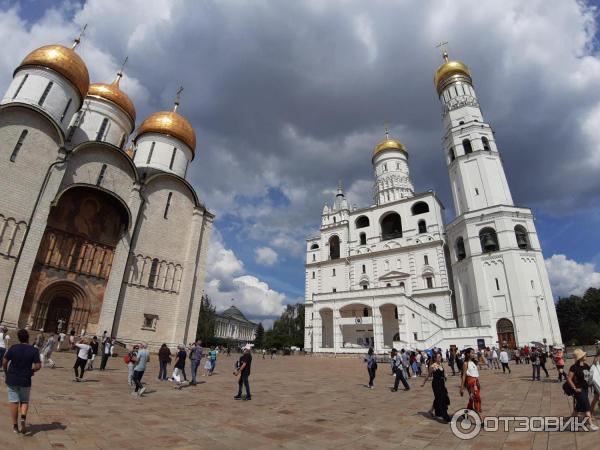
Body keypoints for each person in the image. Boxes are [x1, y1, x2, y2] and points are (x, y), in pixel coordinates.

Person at [2, 329, 41, 434]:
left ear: (19, 338)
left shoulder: (13, 348)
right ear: (28, 337)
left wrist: (6, 371)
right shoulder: (34, 350)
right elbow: (38, 366)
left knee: (14, 402)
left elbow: (4, 361)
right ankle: (23, 417)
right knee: (24, 401)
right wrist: (32, 371)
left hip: (12, 378)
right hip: (25, 379)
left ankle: (15, 426)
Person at [566, 348, 598, 431]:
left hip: (585, 389)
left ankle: (570, 424)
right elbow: (568, 379)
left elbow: (588, 377)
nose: (586, 355)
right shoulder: (574, 367)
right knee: (587, 406)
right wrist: (574, 388)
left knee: (578, 408)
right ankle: (590, 424)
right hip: (579, 390)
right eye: (584, 355)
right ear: (580, 357)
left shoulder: (586, 365)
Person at [421, 352, 451, 422]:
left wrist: (445, 376)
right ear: (435, 358)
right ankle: (445, 416)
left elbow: (443, 373)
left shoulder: (441, 364)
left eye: (440, 356)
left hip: (442, 383)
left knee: (440, 398)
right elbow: (428, 375)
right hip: (436, 384)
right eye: (438, 357)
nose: (439, 358)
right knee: (441, 399)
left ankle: (432, 411)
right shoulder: (432, 366)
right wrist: (423, 383)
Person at [460, 348, 482, 415]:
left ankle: (466, 413)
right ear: (468, 354)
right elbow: (463, 376)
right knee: (476, 398)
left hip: (476, 381)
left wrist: (481, 355)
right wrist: (462, 387)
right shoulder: (465, 363)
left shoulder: (473, 362)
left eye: (474, 353)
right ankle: (480, 417)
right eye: (472, 353)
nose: (473, 354)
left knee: (472, 398)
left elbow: (486, 362)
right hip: (471, 382)